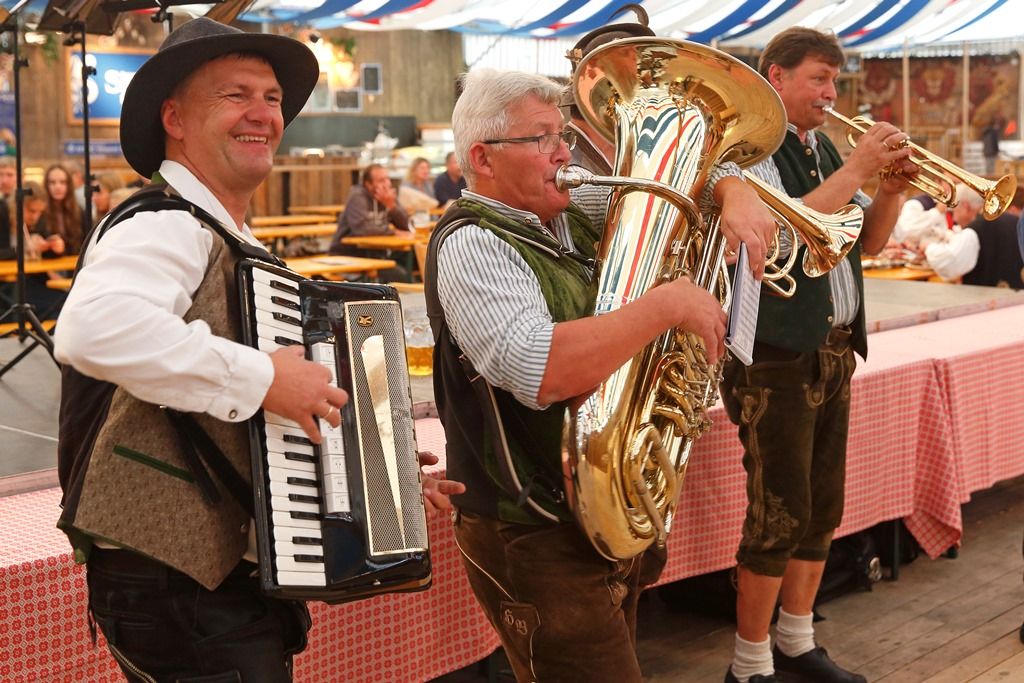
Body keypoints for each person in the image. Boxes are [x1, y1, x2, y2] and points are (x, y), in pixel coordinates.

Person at [54, 18, 461, 683]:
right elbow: (92, 329)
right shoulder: (164, 223)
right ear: (175, 118)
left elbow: (253, 424)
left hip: (219, 584)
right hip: (170, 580)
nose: (263, 114)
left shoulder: (237, 247)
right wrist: (263, 377)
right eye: (235, 95)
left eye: (272, 98)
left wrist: (374, 473)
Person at [428, 67, 733, 682]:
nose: (565, 152)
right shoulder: (472, 243)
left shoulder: (572, 209)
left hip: (603, 503)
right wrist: (665, 306)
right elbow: (541, 369)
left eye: (563, 133)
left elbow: (678, 191)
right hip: (531, 527)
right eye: (542, 138)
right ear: (484, 158)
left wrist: (733, 188)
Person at [723, 27, 917, 683]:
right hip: (774, 354)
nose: (831, 94)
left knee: (820, 506)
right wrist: (860, 168)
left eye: (835, 80)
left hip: (833, 348)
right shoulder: (747, 150)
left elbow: (872, 242)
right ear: (774, 78)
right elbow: (780, 237)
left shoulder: (823, 145)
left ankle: (797, 643)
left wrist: (890, 188)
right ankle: (748, 665)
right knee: (777, 510)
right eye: (817, 79)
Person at [329, 163, 414, 282]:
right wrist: (392, 232)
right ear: (368, 184)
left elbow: (405, 226)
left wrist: (391, 206)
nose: (386, 184)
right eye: (381, 180)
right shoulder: (357, 197)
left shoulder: (386, 197)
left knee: (414, 261)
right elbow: (362, 229)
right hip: (349, 256)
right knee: (404, 277)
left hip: (377, 255)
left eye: (387, 179)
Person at [918, 184, 984, 282]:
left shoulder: (972, 231)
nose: (953, 216)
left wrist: (928, 246)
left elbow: (949, 263)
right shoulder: (990, 222)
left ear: (965, 206)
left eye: (953, 208)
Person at [39, 163, 84, 255]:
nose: (57, 187)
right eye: (52, 182)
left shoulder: (79, 211)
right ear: (46, 185)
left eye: (63, 182)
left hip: (74, 264)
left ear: (69, 186)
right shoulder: (39, 212)